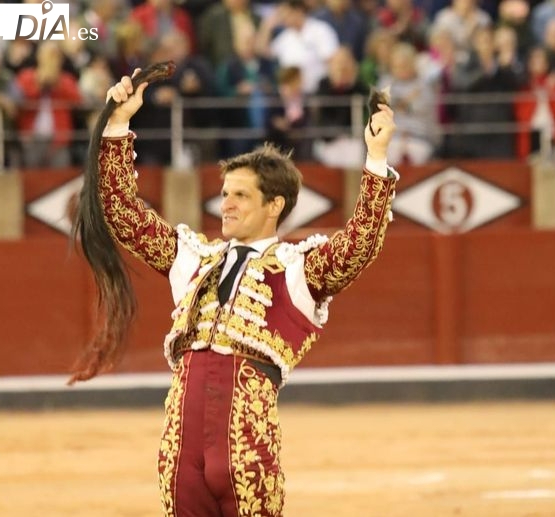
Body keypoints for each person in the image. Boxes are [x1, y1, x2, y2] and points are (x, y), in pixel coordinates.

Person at [71, 69, 398, 516]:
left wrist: (376, 158)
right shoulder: (194, 257)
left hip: (247, 443)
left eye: (240, 196)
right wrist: (117, 124)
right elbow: (123, 213)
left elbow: (359, 242)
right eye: (225, 193)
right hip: (182, 442)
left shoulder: (298, 269)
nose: (225, 204)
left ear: (274, 205)